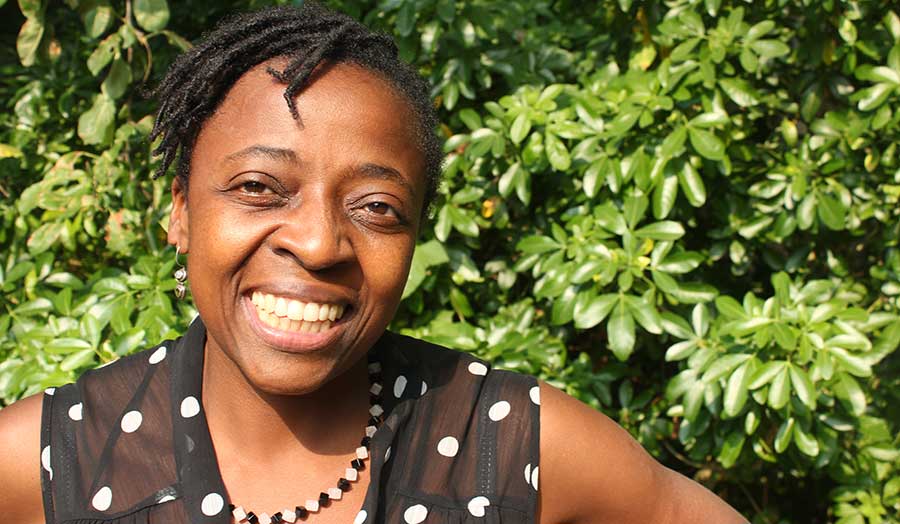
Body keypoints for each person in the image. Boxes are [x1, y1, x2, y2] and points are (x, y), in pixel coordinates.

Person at [0, 3, 747, 523]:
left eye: (376, 208)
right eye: (260, 188)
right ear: (181, 210)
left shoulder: (517, 448)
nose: (319, 242)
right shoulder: (41, 464)